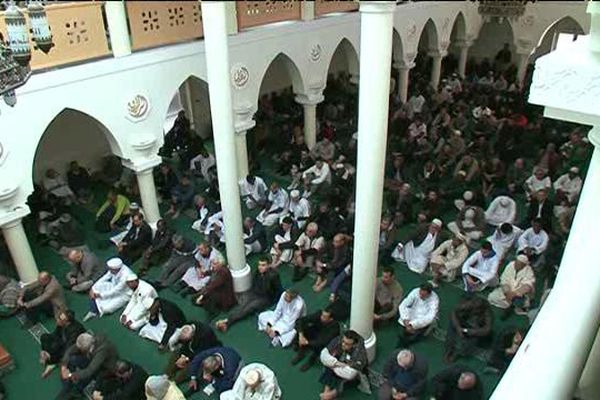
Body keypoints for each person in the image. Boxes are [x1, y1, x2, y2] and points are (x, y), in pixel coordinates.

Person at [216, 257, 282, 332]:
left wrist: (272, 302)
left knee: (249, 308)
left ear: (268, 265)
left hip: (265, 298)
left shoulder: (274, 276)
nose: (260, 267)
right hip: (255, 293)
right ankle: (226, 320)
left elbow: (277, 290)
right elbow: (254, 283)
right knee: (243, 304)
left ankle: (228, 322)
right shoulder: (258, 271)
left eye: (263, 265)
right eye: (259, 265)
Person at [58, 333, 119, 399]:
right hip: (92, 360)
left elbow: (90, 370)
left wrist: (71, 375)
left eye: (81, 349)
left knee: (89, 375)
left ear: (86, 348)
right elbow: (70, 351)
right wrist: (63, 367)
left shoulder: (102, 350)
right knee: (72, 359)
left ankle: (74, 389)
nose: (79, 350)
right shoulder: (89, 340)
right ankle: (70, 388)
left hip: (104, 368)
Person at [319, 330, 369, 400]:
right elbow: (323, 354)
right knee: (331, 362)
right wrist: (336, 363)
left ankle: (333, 393)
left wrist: (332, 365)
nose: (343, 344)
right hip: (341, 362)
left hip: (353, 370)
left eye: (347, 344)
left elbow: (350, 374)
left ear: (354, 345)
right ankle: (326, 391)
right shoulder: (340, 339)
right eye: (343, 341)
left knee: (340, 376)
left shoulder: (360, 353)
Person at [444, 295, 493, 363]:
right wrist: (457, 327)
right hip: (462, 322)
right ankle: (448, 349)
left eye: (478, 310)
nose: (476, 311)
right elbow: (453, 312)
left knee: (472, 341)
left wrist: (473, 332)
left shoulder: (487, 313)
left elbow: (487, 329)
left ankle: (459, 353)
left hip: (475, 329)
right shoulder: (468, 305)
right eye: (475, 309)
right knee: (451, 328)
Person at [39, 309, 85, 378]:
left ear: (67, 322)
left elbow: (68, 348)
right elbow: (55, 334)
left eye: (60, 319)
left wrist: (52, 349)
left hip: (72, 348)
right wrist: (45, 349)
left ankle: (51, 362)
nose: (58, 320)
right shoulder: (62, 323)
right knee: (44, 337)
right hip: (63, 341)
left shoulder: (76, 330)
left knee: (57, 350)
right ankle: (46, 354)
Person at [291, 306, 340, 372]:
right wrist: (301, 335)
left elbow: (324, 341)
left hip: (323, 340)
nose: (321, 317)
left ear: (331, 319)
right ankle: (301, 352)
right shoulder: (319, 314)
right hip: (315, 332)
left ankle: (311, 360)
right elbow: (300, 321)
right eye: (322, 315)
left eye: (325, 317)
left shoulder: (335, 328)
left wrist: (307, 342)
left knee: (320, 346)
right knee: (303, 329)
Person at [192, 255, 236, 320]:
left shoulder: (223, 273)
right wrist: (205, 273)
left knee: (207, 297)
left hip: (223, 295)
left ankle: (213, 312)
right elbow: (212, 272)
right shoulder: (217, 268)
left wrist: (202, 295)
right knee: (193, 299)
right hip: (216, 291)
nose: (212, 265)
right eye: (212, 263)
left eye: (214, 264)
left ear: (220, 264)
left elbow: (213, 286)